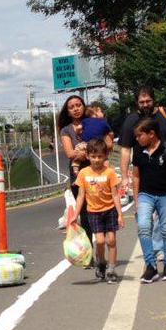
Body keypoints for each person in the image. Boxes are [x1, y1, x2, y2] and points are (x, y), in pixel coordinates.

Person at [119, 86, 166, 257]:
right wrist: (125, 175)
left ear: (154, 100)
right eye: (141, 102)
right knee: (146, 213)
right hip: (143, 172)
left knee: (162, 213)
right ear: (137, 103)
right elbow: (126, 149)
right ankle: (156, 248)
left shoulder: (164, 114)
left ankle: (159, 248)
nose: (145, 104)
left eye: (148, 100)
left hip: (165, 173)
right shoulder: (131, 120)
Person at [132, 118, 166, 284]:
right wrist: (136, 200)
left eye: (140, 135)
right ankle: (151, 267)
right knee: (143, 227)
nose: (137, 139)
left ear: (151, 134)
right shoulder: (139, 151)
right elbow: (135, 176)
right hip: (145, 195)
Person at [72, 138, 124, 283]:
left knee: (112, 240)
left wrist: (120, 214)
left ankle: (112, 269)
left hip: (110, 211)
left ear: (105, 156)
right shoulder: (83, 173)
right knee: (100, 241)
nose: (96, 160)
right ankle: (101, 263)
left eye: (100, 156)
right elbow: (81, 195)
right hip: (93, 212)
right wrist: (75, 215)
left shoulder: (110, 173)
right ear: (87, 156)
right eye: (93, 156)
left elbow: (115, 195)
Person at [58, 94, 93, 250]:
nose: (76, 109)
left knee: (98, 209)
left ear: (83, 106)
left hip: (96, 171)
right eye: (71, 107)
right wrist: (89, 153)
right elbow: (70, 153)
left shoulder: (91, 124)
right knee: (84, 213)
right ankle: (89, 250)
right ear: (68, 111)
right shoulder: (66, 130)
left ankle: (100, 246)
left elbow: (103, 144)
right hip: (78, 174)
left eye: (78, 105)